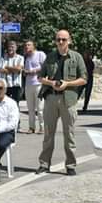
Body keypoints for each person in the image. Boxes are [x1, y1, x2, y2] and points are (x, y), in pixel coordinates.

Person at [36, 30, 86, 175]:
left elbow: (84, 79)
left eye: (64, 39)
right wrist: (51, 83)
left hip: (68, 98)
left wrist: (67, 84)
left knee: (69, 134)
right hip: (51, 97)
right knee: (48, 134)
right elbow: (40, 77)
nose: (61, 42)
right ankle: (44, 164)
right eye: (58, 39)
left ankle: (70, 165)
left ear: (69, 40)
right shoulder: (50, 57)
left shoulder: (76, 57)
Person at [22, 40, 46, 133]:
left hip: (38, 84)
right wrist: (25, 72)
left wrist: (32, 71)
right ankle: (31, 127)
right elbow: (26, 71)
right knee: (30, 108)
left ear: (33, 46)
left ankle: (42, 127)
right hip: (28, 84)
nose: (27, 46)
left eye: (29, 45)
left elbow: (45, 66)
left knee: (40, 108)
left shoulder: (40, 54)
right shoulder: (27, 57)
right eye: (26, 45)